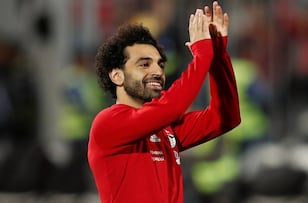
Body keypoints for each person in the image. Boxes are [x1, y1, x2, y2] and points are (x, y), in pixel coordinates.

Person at [87, 1, 241, 203]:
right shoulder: (107, 123)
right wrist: (202, 54)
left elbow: (225, 118)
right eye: (144, 64)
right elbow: (172, 107)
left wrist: (218, 56)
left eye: (160, 64)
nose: (157, 71)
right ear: (117, 76)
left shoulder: (165, 130)